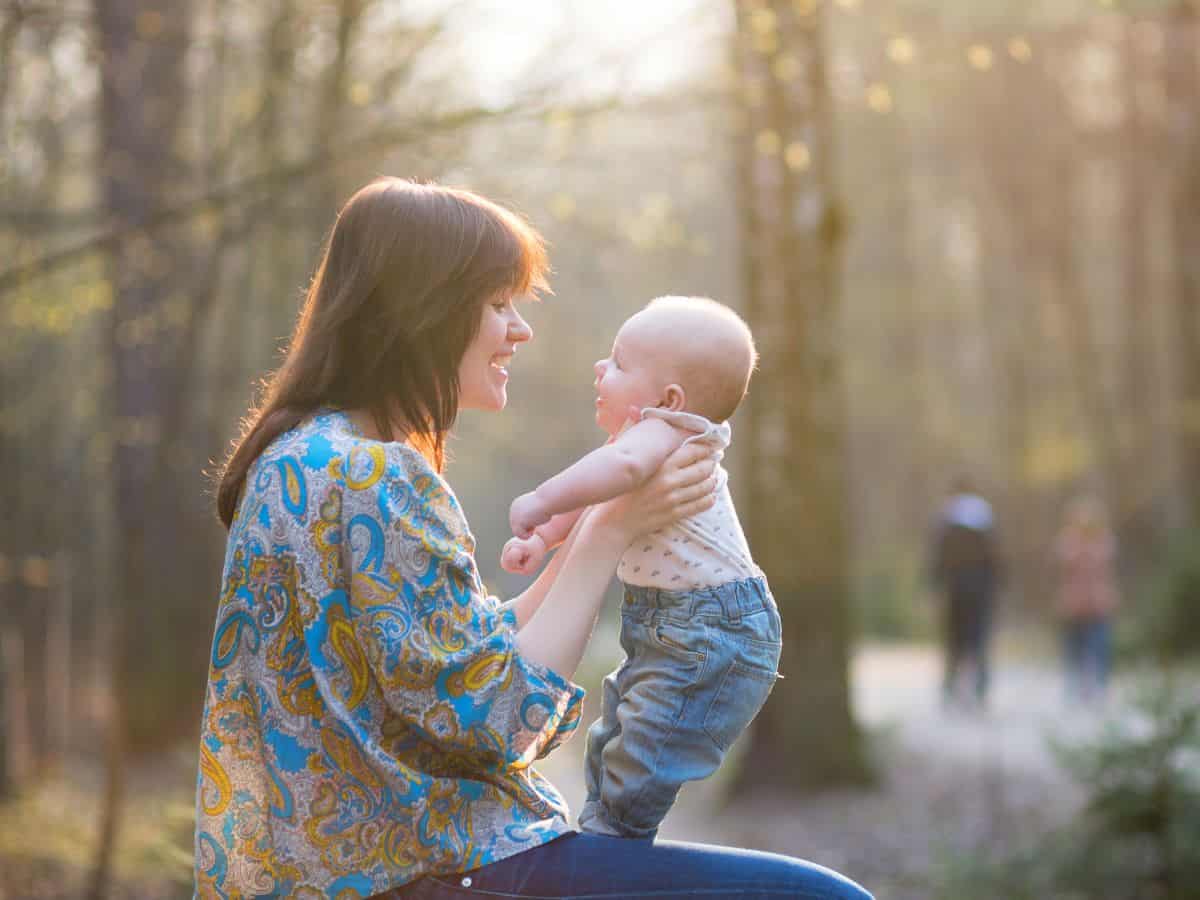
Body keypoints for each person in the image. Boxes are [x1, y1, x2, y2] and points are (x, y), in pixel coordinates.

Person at [195, 178, 872, 899]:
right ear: (425, 311)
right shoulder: (377, 475)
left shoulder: (302, 458)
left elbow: (462, 656)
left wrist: (587, 530)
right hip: (430, 871)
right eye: (497, 305)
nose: (519, 329)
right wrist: (609, 531)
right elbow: (495, 720)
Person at [499, 296, 780, 841]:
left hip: (711, 627)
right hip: (678, 625)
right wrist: (547, 537)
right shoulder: (639, 444)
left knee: (644, 749)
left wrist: (539, 499)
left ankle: (615, 841)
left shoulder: (667, 432)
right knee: (616, 736)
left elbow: (619, 469)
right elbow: (598, 501)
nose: (601, 370)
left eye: (620, 363)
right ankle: (607, 832)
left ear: (668, 399)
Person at [929, 478, 1003, 710]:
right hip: (981, 589)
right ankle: (980, 689)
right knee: (979, 639)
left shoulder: (946, 518)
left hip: (955, 589)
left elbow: (938, 556)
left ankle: (950, 689)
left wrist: (933, 585)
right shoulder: (985, 518)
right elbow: (996, 558)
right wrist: (997, 586)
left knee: (954, 640)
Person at [1054, 494, 1119, 705]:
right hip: (1074, 604)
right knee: (1073, 650)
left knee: (1099, 649)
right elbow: (1064, 561)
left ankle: (1099, 689)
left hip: (1099, 604)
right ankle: (1075, 689)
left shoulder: (1104, 540)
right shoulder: (1068, 541)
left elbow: (1105, 561)